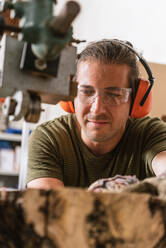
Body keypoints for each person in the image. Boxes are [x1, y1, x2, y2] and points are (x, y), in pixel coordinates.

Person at [27, 39, 166, 190]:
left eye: (114, 95)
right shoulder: (50, 138)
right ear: (70, 94)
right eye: (86, 92)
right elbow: (47, 207)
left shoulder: (151, 134)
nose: (97, 109)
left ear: (136, 100)